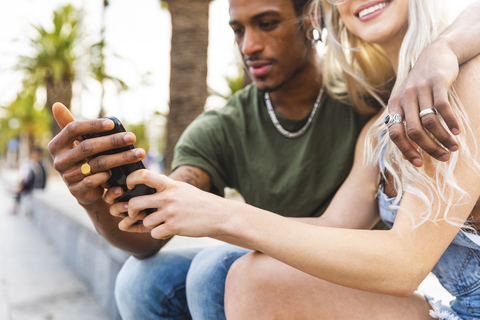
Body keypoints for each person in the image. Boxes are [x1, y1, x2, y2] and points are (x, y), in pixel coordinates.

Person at [47, 1, 480, 319]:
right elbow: (334, 225)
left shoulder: (458, 79)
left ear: (307, 21)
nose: (250, 45)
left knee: (230, 274)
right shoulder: (380, 123)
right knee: (214, 278)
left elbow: (405, 263)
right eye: (238, 31)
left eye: (268, 24)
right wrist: (170, 205)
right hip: (449, 304)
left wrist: (443, 48)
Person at [12, 146, 47, 214]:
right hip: (35, 185)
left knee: (19, 191)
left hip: (38, 186)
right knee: (19, 190)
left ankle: (15, 208)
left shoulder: (39, 165)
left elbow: (32, 179)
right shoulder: (36, 164)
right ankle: (15, 208)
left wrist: (22, 187)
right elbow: (29, 178)